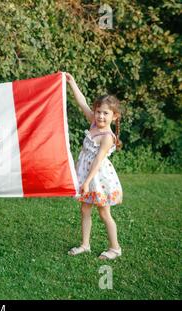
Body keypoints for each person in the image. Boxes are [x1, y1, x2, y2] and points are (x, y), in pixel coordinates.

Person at [66, 73, 123, 260]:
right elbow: (82, 102)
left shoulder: (107, 137)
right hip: (86, 174)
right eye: (98, 111)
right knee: (84, 210)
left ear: (114, 117)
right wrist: (72, 82)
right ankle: (85, 244)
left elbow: (98, 161)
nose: (100, 116)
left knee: (104, 212)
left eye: (106, 113)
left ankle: (115, 248)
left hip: (98, 177)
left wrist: (86, 182)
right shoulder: (93, 123)